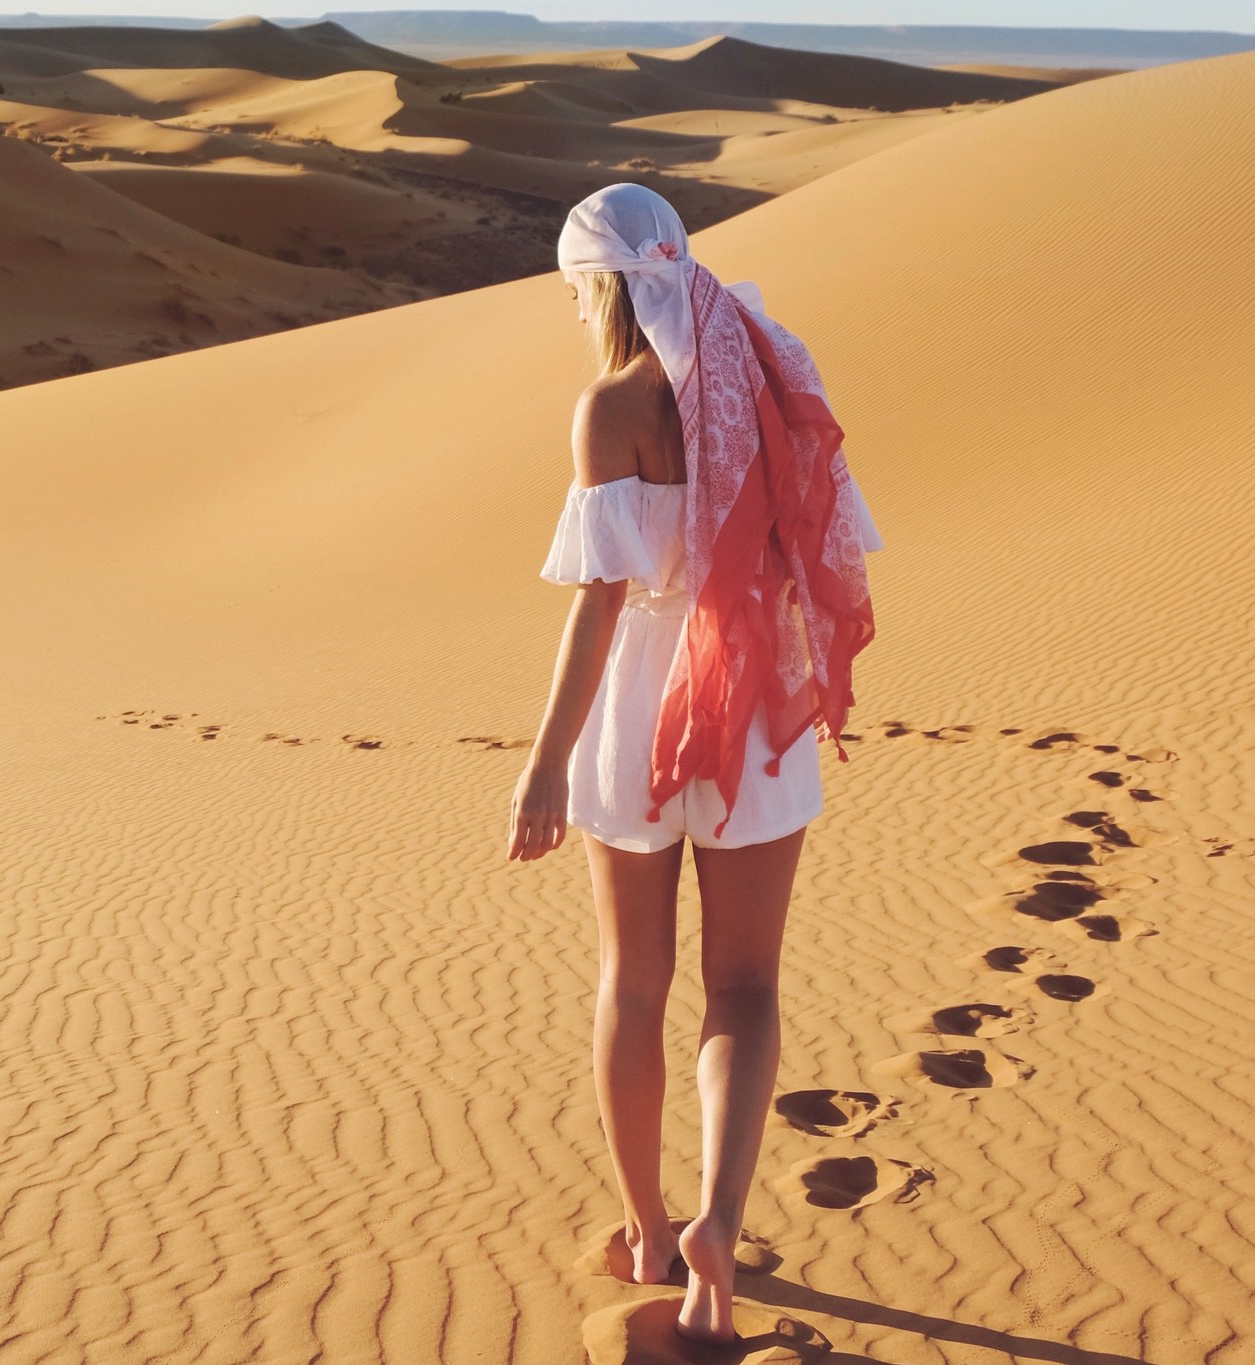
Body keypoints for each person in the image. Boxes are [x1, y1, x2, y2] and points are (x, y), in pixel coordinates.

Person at [505, 184, 883, 1346]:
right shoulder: (768, 362)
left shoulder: (610, 405)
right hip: (757, 713)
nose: (576, 311)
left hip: (637, 714)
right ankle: (720, 1219)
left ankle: (647, 1228)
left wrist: (543, 761)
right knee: (746, 988)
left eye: (577, 290)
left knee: (633, 982)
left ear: (606, 284)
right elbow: (835, 532)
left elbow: (597, 606)